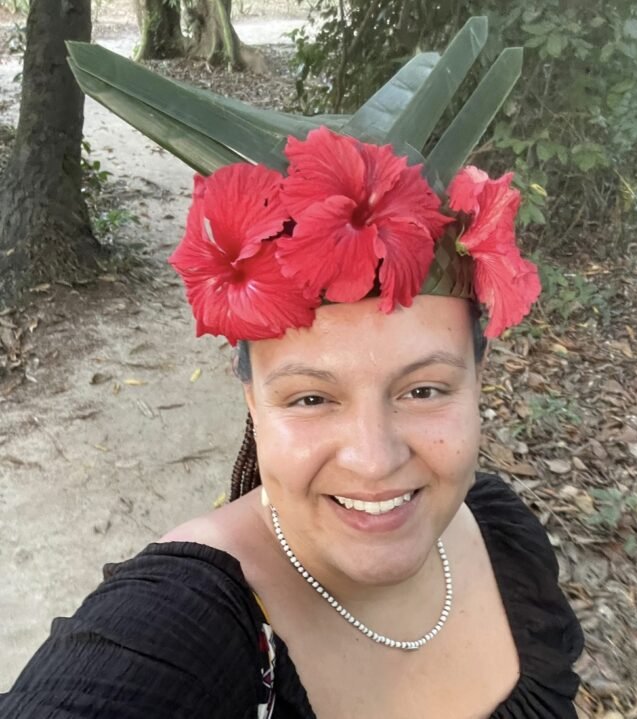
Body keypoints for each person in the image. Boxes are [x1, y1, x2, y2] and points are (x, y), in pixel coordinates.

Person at [1, 24, 583, 719]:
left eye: (424, 388)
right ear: (252, 399)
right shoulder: (176, 628)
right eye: (311, 396)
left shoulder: (504, 540)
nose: (374, 458)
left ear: (477, 379)